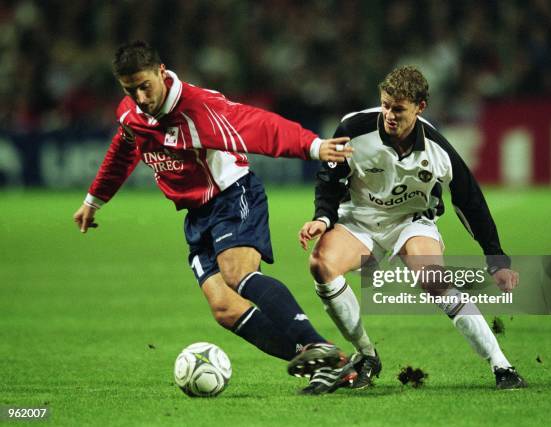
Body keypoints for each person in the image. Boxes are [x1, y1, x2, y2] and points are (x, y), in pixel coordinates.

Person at [72, 40, 356, 395]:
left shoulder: (197, 108)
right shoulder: (132, 113)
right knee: (224, 308)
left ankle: (314, 343)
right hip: (197, 214)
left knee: (238, 274)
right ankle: (334, 364)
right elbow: (125, 146)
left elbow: (256, 125)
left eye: (145, 86)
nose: (141, 97)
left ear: (161, 73)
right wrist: (94, 199)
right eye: (131, 90)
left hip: (233, 195)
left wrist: (312, 146)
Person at [299, 65, 527, 390]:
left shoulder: (438, 149)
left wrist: (496, 259)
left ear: (420, 108)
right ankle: (366, 354)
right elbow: (329, 180)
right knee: (321, 265)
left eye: (399, 109)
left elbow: (470, 201)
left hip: (411, 221)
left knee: (433, 279)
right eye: (385, 105)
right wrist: (322, 218)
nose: (389, 114)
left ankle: (501, 365)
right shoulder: (352, 129)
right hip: (359, 219)